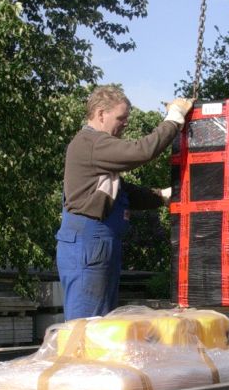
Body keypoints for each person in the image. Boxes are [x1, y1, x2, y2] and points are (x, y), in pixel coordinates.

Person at [56, 85, 193, 320]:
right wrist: (174, 118)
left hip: (97, 245)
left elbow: (121, 192)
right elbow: (141, 151)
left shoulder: (95, 149)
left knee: (101, 325)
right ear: (101, 114)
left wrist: (162, 195)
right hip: (88, 245)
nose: (125, 124)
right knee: (87, 327)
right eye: (121, 118)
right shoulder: (91, 142)